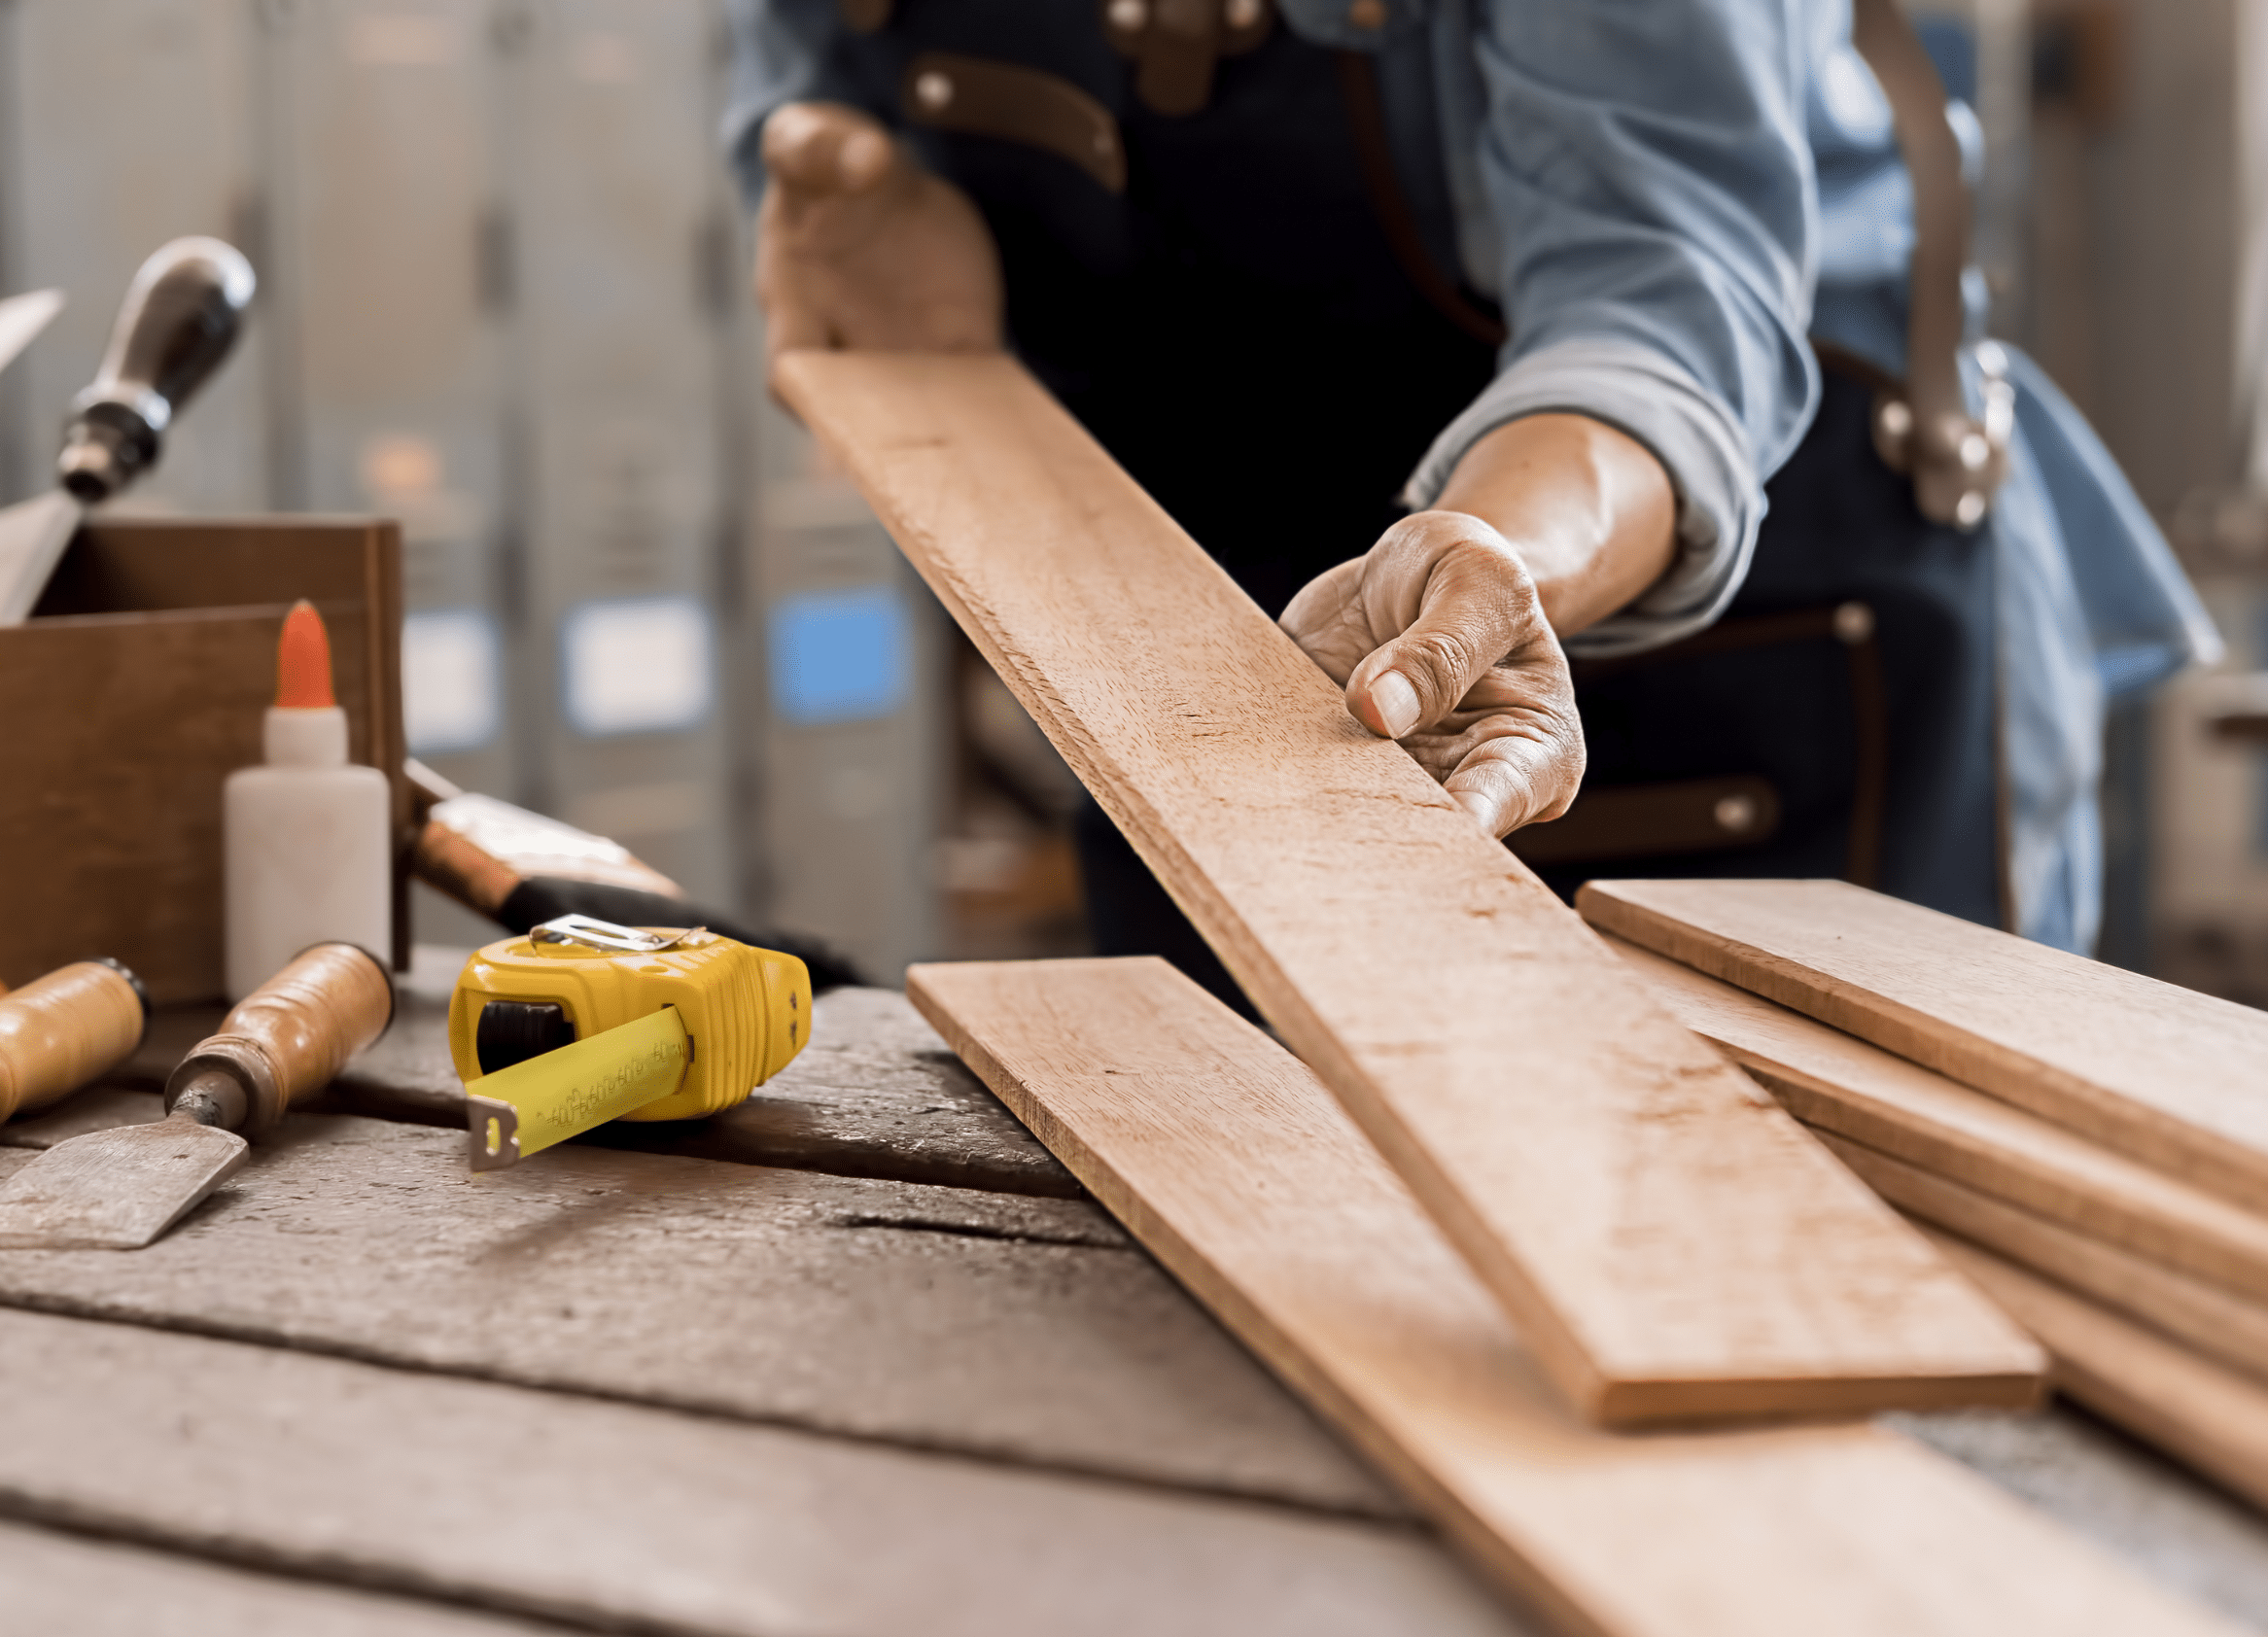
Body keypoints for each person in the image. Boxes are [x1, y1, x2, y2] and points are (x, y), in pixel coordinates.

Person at [725, 0, 2215, 1006]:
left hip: (1722, 624)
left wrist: (1494, 556)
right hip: (1238, 649)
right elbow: (812, 69)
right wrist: (838, 175)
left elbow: (1659, 308)